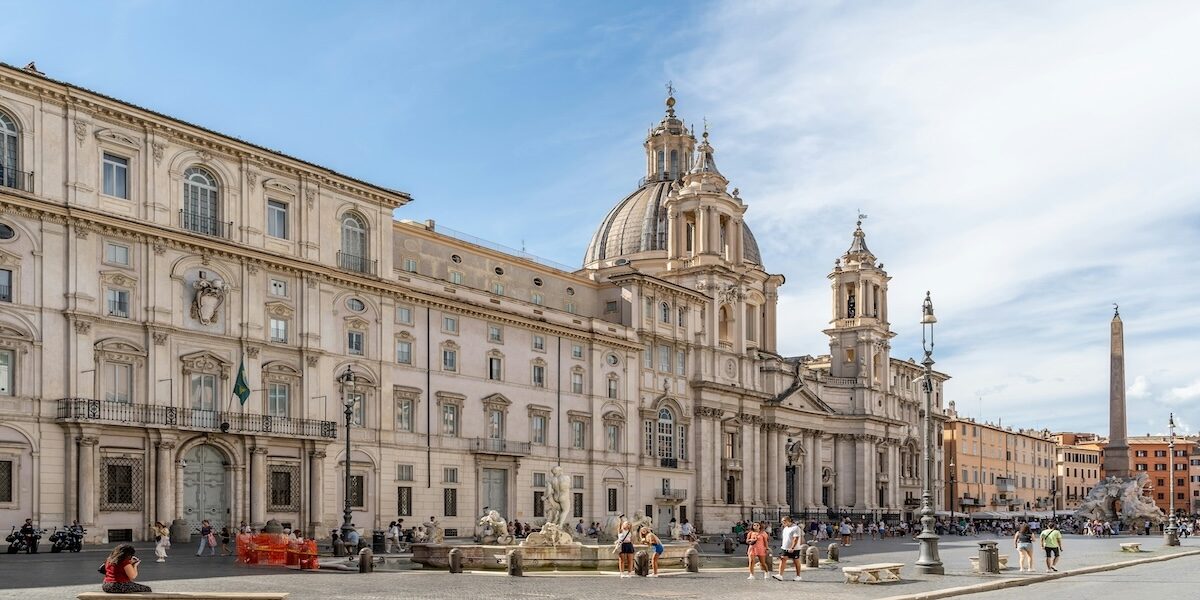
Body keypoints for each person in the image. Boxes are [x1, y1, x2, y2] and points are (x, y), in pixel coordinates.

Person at [772, 516, 802, 581]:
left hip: (795, 548)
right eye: (782, 521)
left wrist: (792, 547)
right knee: (783, 559)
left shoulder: (795, 528)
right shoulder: (785, 528)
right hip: (785, 547)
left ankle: (798, 575)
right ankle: (780, 575)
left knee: (796, 561)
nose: (783, 523)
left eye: (784, 521)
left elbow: (795, 538)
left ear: (789, 521)